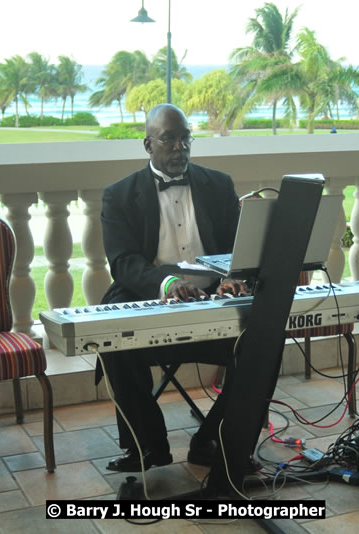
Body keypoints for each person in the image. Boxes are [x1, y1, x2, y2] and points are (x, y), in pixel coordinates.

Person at [98, 103, 247, 472]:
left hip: (214, 301)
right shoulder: (118, 195)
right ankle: (148, 446)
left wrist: (232, 277)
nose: (179, 147)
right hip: (151, 300)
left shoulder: (219, 185)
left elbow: (239, 249)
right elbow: (124, 263)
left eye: (185, 138)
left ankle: (213, 438)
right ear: (148, 145)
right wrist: (167, 283)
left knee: (264, 342)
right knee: (115, 344)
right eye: (169, 140)